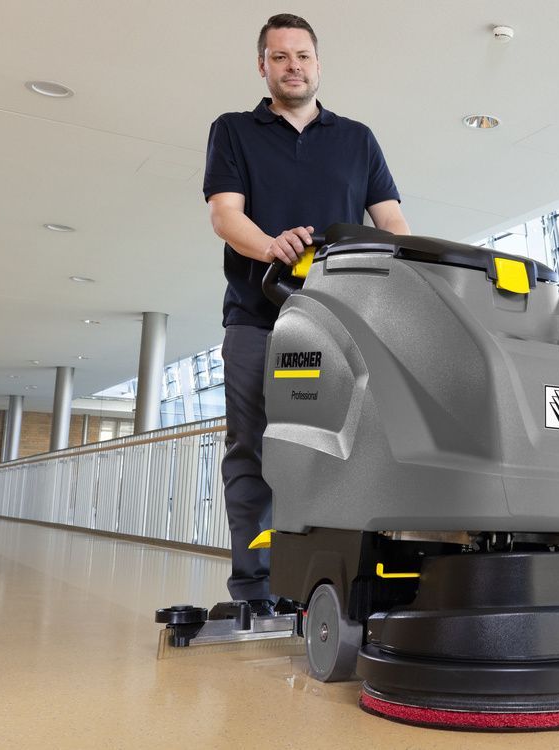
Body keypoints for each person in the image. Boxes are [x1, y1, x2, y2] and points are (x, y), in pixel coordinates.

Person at [203, 13, 410, 612]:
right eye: (279, 57)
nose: (292, 66)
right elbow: (225, 215)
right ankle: (253, 588)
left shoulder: (357, 139)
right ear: (263, 66)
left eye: (302, 56)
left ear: (318, 64)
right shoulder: (235, 130)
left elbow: (392, 221)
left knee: (331, 451)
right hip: (255, 316)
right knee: (252, 449)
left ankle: (316, 586)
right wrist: (270, 246)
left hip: (335, 325)